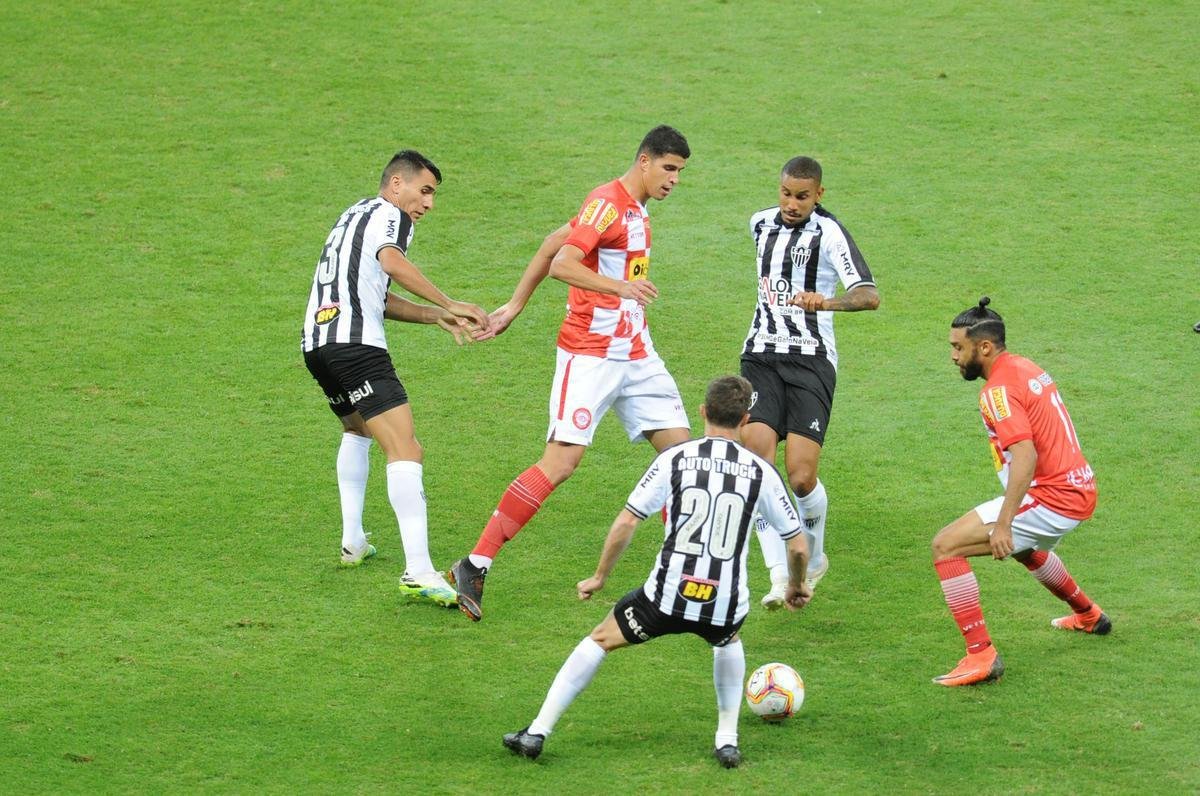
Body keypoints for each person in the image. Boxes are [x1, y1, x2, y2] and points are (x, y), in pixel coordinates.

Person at [448, 125, 693, 621]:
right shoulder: (606, 203)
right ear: (644, 160)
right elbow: (563, 260)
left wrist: (515, 304)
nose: (674, 180)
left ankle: (682, 579)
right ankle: (474, 564)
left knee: (683, 459)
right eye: (669, 168)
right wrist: (618, 288)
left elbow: (551, 240)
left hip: (637, 353)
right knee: (560, 464)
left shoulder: (637, 209)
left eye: (680, 172)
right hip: (590, 354)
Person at [502, 376, 811, 768]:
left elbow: (627, 523)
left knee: (599, 640)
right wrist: (796, 586)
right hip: (722, 604)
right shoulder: (760, 472)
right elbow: (797, 544)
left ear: (702, 412)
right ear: (745, 420)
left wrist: (599, 577)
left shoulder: (675, 458)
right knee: (728, 639)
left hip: (665, 597)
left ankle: (537, 732)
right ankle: (727, 742)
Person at [301, 149, 490, 606]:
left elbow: (376, 296)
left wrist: (431, 317)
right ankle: (419, 571)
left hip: (317, 344)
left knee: (357, 427)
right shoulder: (390, 215)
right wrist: (450, 303)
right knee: (406, 448)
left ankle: (353, 542)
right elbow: (391, 262)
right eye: (424, 191)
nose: (428, 204)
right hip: (357, 348)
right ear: (396, 184)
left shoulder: (353, 216)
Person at [930, 297, 1109, 687]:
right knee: (1027, 549)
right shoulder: (1026, 366)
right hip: (1079, 488)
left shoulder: (995, 392)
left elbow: (1024, 455)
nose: (954, 357)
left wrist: (1004, 524)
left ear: (985, 347)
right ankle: (1088, 614)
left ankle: (981, 655)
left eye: (958, 347)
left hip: (1053, 496)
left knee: (946, 546)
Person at [739, 156, 880, 609]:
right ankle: (779, 576)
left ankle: (814, 560)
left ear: (819, 194)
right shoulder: (759, 224)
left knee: (800, 477)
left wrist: (827, 304)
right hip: (761, 354)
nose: (792, 204)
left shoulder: (830, 233)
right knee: (757, 460)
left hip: (811, 361)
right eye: (786, 193)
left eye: (802, 196)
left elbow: (869, 296)